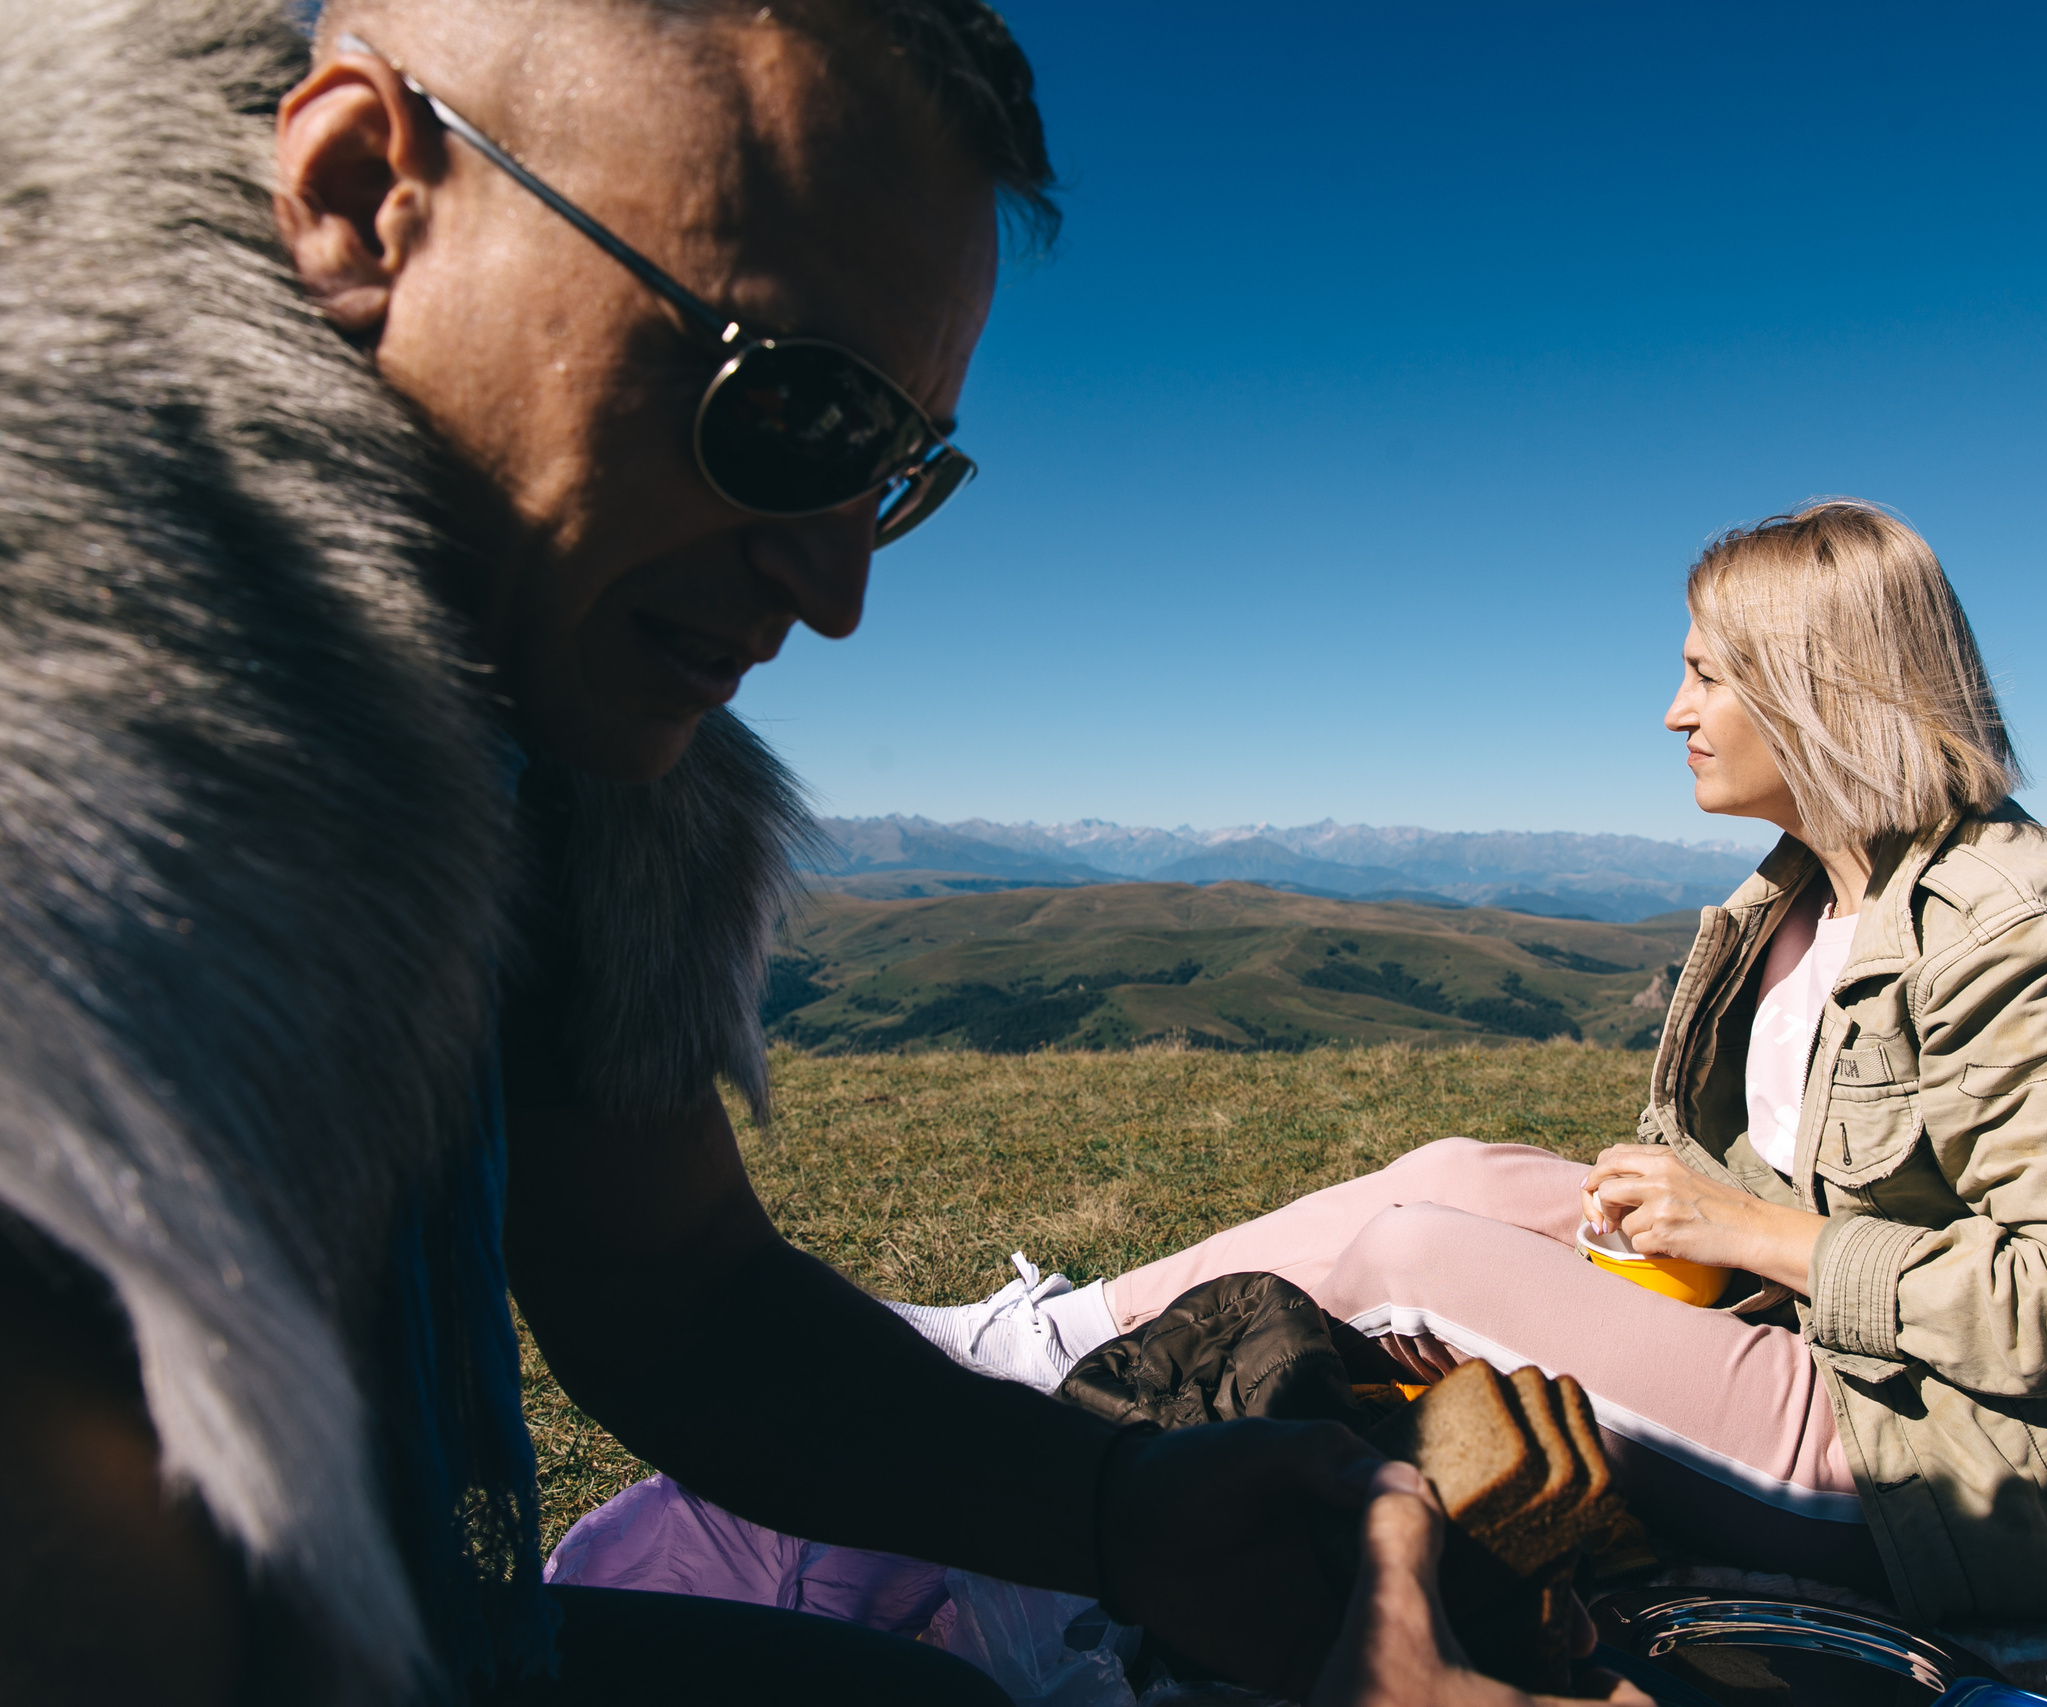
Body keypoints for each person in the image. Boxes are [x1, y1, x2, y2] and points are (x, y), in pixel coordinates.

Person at [0, 2, 1502, 1701]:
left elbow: (672, 1289)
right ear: (362, 195)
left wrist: (1117, 1502)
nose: (837, 592)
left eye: (892, 472)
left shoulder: (555, 743)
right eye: (787, 412)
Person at [901, 501, 2047, 1624]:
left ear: (1821, 688)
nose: (1673, 712)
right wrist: (1684, 1213)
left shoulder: (2046, 939)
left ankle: (1055, 1450)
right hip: (1792, 1337)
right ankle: (1051, 1338)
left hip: (1940, 1460)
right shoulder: (1790, 903)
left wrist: (1762, 1238)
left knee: (1414, 1260)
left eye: (1709, 675)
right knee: (1454, 1176)